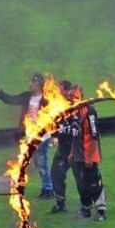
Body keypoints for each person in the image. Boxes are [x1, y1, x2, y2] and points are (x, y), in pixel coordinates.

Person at [0, 72, 53, 199]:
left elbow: (53, 117)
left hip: (42, 137)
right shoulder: (26, 96)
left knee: (42, 163)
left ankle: (48, 189)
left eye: (32, 82)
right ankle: (46, 188)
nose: (29, 84)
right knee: (38, 164)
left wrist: (54, 136)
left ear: (38, 84)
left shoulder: (46, 99)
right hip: (29, 137)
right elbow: (12, 100)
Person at [68, 85, 107, 221]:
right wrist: (72, 153)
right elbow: (74, 135)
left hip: (89, 154)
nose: (72, 98)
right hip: (78, 155)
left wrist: (89, 157)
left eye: (75, 96)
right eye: (71, 96)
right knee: (81, 183)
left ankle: (101, 210)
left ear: (81, 96)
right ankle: (86, 208)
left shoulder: (89, 111)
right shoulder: (73, 112)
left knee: (94, 183)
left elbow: (94, 135)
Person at [49, 80, 77, 213]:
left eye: (60, 90)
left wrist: (60, 131)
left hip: (76, 149)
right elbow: (53, 123)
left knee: (84, 178)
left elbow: (76, 128)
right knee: (56, 173)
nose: (58, 93)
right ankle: (60, 204)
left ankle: (96, 208)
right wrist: (54, 135)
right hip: (63, 149)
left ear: (67, 90)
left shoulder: (75, 106)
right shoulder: (57, 106)